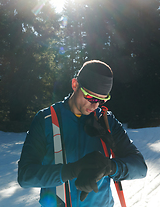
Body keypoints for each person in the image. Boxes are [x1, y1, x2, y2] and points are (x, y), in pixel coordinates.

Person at [18, 60, 147, 207]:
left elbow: (140, 167)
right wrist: (72, 170)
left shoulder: (106, 120)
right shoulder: (46, 120)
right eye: (91, 98)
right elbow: (25, 175)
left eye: (101, 100)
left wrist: (109, 167)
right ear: (75, 85)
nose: (95, 105)